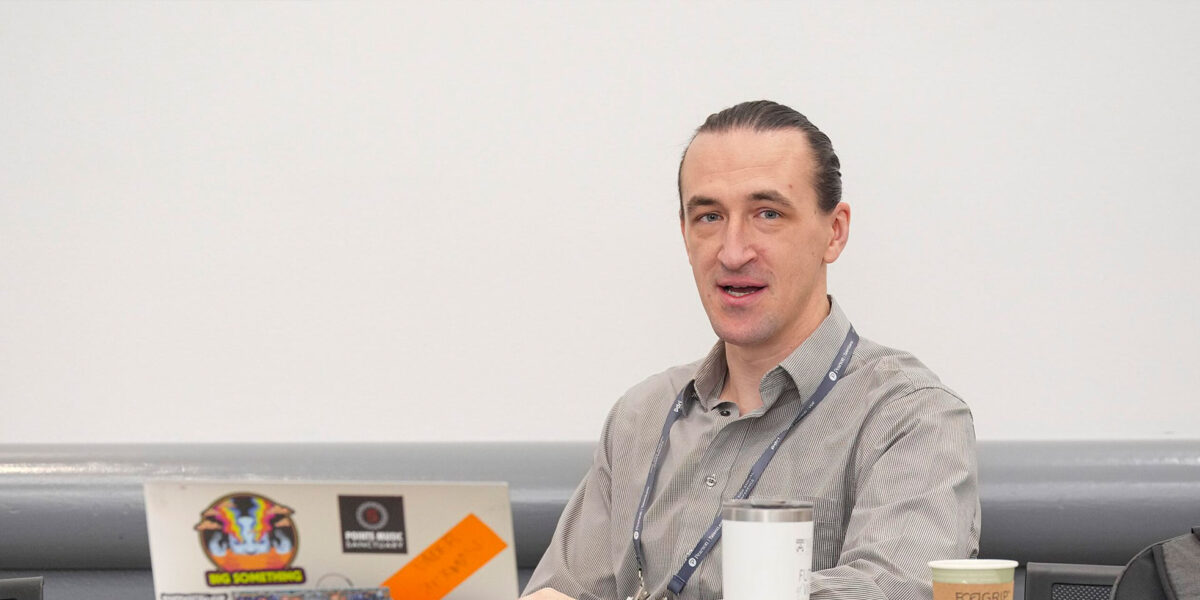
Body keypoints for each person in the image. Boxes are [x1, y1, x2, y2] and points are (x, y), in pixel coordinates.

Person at [522, 100, 979, 600]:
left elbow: (893, 591)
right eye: (709, 216)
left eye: (768, 214)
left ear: (834, 232)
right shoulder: (640, 418)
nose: (733, 251)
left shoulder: (910, 416)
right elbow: (560, 590)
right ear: (684, 235)